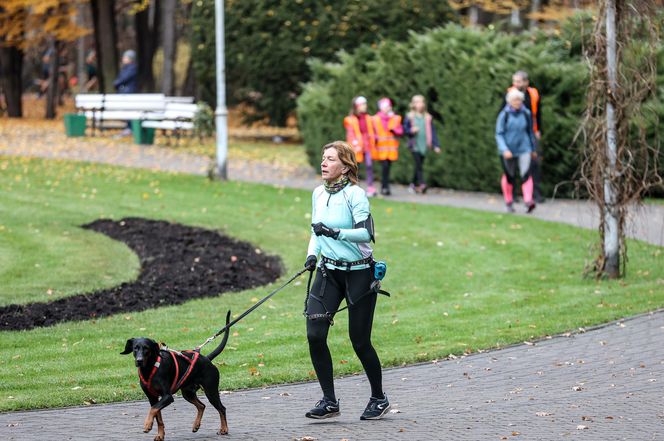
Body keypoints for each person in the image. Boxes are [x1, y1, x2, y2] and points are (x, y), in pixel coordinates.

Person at [303, 140, 390, 421]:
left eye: (330, 159)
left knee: (359, 341)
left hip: (360, 274)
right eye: (323, 158)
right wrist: (312, 255)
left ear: (345, 166)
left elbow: (366, 234)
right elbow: (316, 231)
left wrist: (334, 232)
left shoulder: (356, 195)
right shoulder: (318, 193)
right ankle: (329, 401)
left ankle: (379, 397)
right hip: (328, 272)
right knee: (315, 334)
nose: (324, 163)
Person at [496, 88, 537, 213]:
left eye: (519, 99)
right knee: (510, 176)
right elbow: (499, 133)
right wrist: (504, 149)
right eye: (515, 100)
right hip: (508, 150)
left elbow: (530, 132)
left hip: (524, 148)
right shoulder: (504, 115)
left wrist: (533, 148)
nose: (517, 102)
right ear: (509, 101)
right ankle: (508, 201)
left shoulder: (526, 113)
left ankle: (528, 201)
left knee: (526, 174)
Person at [507, 70, 544, 203]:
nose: (515, 84)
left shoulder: (533, 94)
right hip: (514, 135)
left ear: (526, 82)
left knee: (534, 163)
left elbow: (538, 113)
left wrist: (539, 130)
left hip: (531, 133)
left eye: (518, 81)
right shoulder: (510, 94)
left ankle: (536, 194)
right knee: (512, 164)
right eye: (514, 81)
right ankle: (513, 195)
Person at [403, 95, 441, 194]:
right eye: (417, 102)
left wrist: (436, 145)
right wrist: (411, 130)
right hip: (414, 145)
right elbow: (405, 130)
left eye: (421, 102)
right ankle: (422, 183)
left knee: (418, 166)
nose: (419, 104)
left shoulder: (427, 117)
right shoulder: (410, 116)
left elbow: (433, 132)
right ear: (413, 104)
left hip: (424, 145)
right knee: (419, 165)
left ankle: (412, 184)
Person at [344, 96, 377, 197]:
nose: (365, 106)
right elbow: (350, 134)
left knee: (369, 165)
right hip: (356, 146)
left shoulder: (369, 118)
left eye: (365, 104)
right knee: (354, 167)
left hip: (367, 145)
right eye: (363, 104)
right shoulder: (350, 119)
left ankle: (370, 187)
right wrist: (355, 145)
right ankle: (353, 186)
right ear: (356, 106)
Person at [372, 97, 403, 196]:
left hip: (391, 149)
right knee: (384, 167)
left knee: (387, 168)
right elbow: (372, 132)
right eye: (385, 106)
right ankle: (384, 187)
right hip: (380, 149)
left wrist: (394, 130)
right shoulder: (375, 119)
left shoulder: (395, 118)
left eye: (388, 106)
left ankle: (385, 187)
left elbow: (400, 131)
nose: (387, 108)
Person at [113, 50, 139, 136]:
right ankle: (129, 128)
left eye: (125, 57)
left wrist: (116, 83)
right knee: (127, 111)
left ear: (130, 59)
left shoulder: (132, 68)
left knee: (129, 111)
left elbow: (124, 78)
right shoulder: (126, 68)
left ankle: (130, 128)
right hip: (125, 93)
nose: (123, 59)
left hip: (128, 93)